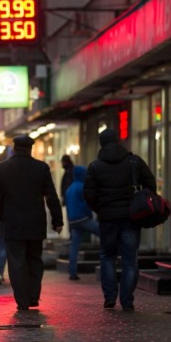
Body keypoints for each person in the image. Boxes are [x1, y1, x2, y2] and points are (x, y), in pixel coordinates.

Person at [83, 128, 156, 312]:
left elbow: (89, 194)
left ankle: (109, 298)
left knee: (107, 257)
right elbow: (151, 184)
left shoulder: (95, 166)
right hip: (131, 218)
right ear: (118, 141)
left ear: (101, 143)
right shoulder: (134, 161)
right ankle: (127, 301)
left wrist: (100, 209)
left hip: (107, 219)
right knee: (130, 260)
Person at [0, 136, 63, 311]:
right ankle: (33, 296)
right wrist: (57, 220)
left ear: (14, 148)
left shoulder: (2, 169)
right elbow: (51, 196)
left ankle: (22, 301)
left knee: (16, 263)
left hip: (12, 224)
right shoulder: (41, 168)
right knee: (35, 260)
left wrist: (3, 216)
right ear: (30, 148)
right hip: (35, 224)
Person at [65, 165, 99, 281]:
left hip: (73, 221)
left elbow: (68, 207)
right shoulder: (82, 187)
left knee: (74, 247)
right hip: (84, 219)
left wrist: (70, 221)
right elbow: (87, 204)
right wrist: (90, 214)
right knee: (105, 234)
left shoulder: (69, 189)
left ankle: (72, 272)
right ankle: (109, 263)